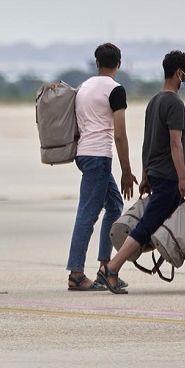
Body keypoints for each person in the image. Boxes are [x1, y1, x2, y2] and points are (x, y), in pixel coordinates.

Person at [98, 50, 185, 294]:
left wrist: (146, 174)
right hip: (169, 178)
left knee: (181, 225)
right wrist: (183, 177)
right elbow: (175, 143)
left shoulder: (154, 101)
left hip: (157, 174)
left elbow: (147, 143)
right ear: (178, 73)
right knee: (147, 226)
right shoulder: (174, 104)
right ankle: (111, 269)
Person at [65, 43, 137, 291]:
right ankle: (76, 274)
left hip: (84, 154)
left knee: (115, 205)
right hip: (98, 157)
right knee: (87, 213)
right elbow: (120, 134)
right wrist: (127, 171)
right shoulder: (115, 90)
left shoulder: (84, 87)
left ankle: (105, 268)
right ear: (119, 63)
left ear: (96, 63)